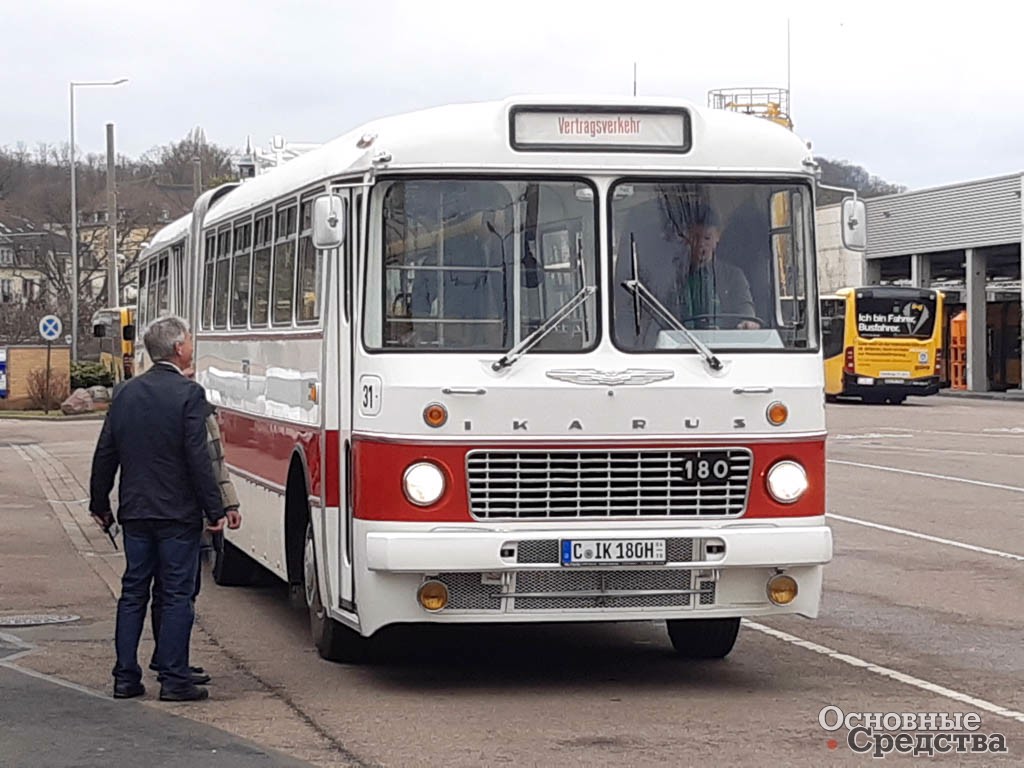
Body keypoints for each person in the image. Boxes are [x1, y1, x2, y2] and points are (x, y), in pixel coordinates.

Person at [89, 315, 242, 702]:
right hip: (177, 514)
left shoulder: (125, 393)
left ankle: (125, 676)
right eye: (189, 340)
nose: (191, 345)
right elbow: (198, 457)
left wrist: (100, 503)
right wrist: (215, 509)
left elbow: (106, 451)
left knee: (133, 592)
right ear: (178, 348)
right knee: (175, 594)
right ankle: (174, 679)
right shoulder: (189, 395)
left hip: (137, 512)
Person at [148, 395, 240, 687]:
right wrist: (223, 507)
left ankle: (166, 658)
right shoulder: (194, 407)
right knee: (181, 591)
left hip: (153, 510)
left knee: (163, 589)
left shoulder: (157, 402)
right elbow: (211, 463)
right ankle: (173, 664)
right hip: (187, 513)